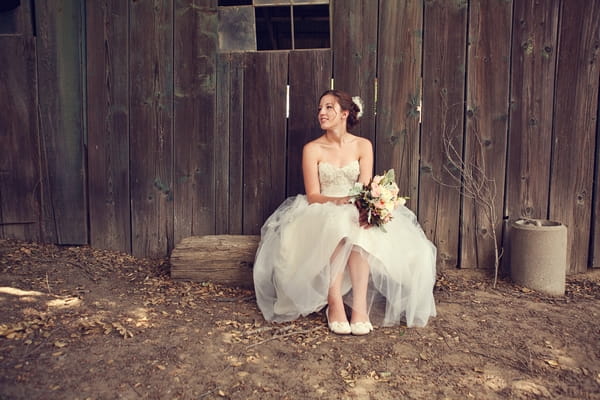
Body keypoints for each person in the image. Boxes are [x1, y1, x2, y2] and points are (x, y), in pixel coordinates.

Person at [253, 89, 437, 335]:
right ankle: (335, 303)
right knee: (339, 223)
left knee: (357, 225)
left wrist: (368, 205)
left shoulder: (363, 146)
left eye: (329, 107)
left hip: (354, 205)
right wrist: (340, 202)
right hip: (320, 208)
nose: (322, 113)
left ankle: (360, 306)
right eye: (320, 108)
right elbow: (313, 195)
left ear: (345, 113)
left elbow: (364, 187)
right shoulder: (312, 149)